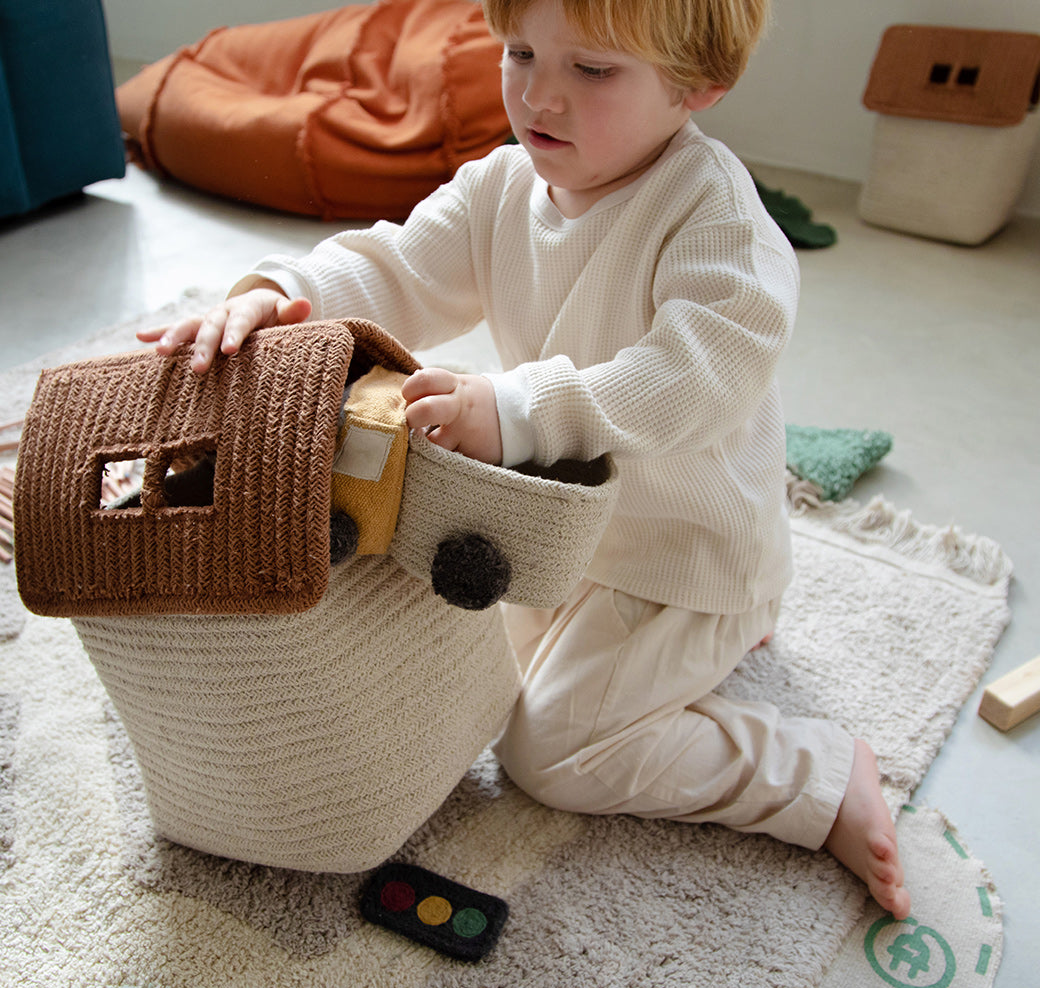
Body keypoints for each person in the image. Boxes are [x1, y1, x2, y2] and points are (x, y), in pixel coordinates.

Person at [142, 0, 910, 918]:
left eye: (592, 72)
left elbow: (688, 382)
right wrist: (282, 292)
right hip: (560, 538)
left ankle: (814, 776)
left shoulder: (720, 228)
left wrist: (519, 411)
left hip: (683, 560)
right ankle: (682, 658)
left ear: (699, 85)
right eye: (521, 53)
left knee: (550, 754)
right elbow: (396, 267)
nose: (539, 95)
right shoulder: (503, 188)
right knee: (437, 668)